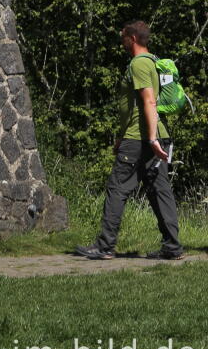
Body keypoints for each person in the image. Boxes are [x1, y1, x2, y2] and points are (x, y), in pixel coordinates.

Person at [74, 20, 183, 260]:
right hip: (148, 137)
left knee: (117, 188)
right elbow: (134, 106)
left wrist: (151, 139)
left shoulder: (139, 64)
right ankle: (172, 247)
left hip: (143, 139)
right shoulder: (154, 62)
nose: (121, 41)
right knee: (159, 191)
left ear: (132, 39)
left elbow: (149, 101)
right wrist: (122, 136)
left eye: (123, 37)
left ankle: (105, 246)